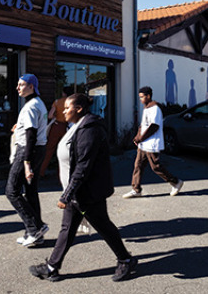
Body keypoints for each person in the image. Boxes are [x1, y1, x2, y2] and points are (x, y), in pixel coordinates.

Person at [29, 94, 137, 282]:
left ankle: (125, 259)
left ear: (78, 109)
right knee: (68, 229)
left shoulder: (90, 129)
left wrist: (67, 195)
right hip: (77, 191)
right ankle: (52, 267)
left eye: (67, 108)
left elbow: (84, 165)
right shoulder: (77, 126)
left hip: (87, 191)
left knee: (102, 226)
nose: (63, 111)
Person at [7, 74, 49, 247]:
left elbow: (31, 136)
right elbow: (32, 129)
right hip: (39, 149)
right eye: (17, 84)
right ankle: (33, 233)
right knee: (31, 191)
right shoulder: (38, 103)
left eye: (21, 84)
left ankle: (35, 227)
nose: (18, 87)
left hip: (28, 150)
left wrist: (26, 163)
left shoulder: (31, 106)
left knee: (12, 191)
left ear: (31, 86)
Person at [122, 86, 183, 198]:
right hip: (143, 144)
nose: (140, 99)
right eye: (139, 97)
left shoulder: (155, 109)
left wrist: (141, 138)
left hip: (152, 144)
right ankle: (136, 189)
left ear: (148, 96)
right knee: (138, 165)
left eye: (142, 97)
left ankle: (175, 182)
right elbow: (143, 125)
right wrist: (137, 137)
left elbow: (153, 126)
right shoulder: (147, 108)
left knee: (156, 167)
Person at [40, 90, 70, 177]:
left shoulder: (57, 102)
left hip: (56, 126)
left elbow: (49, 116)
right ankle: (63, 174)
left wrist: (55, 116)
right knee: (66, 151)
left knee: (49, 150)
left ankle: (41, 171)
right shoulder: (72, 102)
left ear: (63, 93)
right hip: (67, 127)